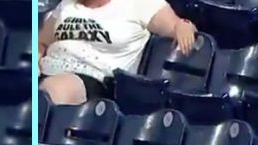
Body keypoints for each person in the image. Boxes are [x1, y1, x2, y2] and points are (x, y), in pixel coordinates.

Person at [38, 0, 197, 104]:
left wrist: (183, 25)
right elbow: (42, 42)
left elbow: (177, 25)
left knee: (54, 90)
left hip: (95, 79)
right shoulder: (66, 4)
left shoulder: (139, 3)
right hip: (47, 71)